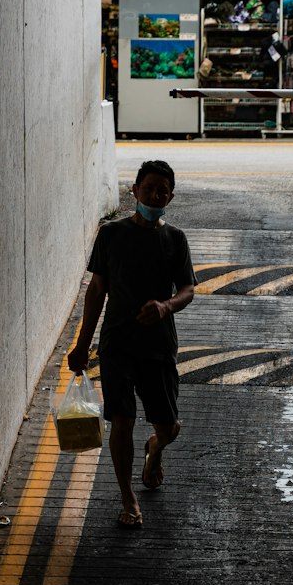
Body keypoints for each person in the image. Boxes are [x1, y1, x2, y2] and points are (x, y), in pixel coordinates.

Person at [67, 160, 196, 528]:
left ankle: (155, 449)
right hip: (117, 344)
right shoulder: (111, 235)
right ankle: (128, 498)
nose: (155, 195)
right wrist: (82, 345)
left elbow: (187, 289)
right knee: (121, 420)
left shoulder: (175, 239)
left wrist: (166, 306)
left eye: (162, 190)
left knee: (168, 427)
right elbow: (96, 291)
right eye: (149, 188)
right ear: (134, 190)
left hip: (158, 347)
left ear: (171, 196)